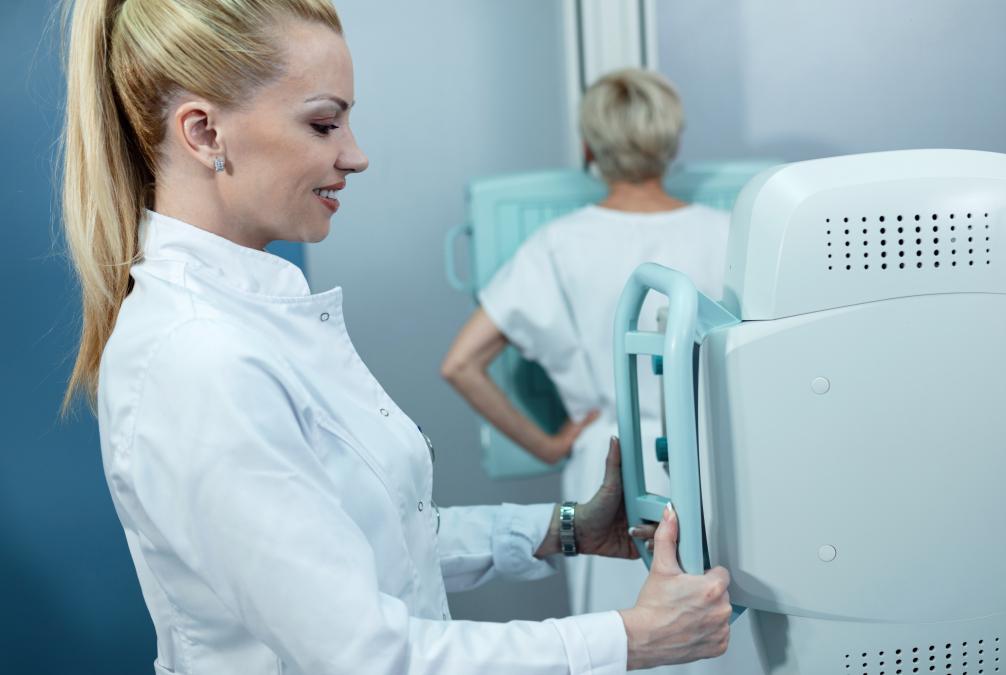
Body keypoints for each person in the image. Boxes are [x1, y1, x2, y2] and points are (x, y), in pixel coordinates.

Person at [59, 1, 731, 673]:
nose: (356, 155)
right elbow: (369, 656)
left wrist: (567, 527)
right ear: (205, 133)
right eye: (324, 123)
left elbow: (382, 541)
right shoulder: (200, 358)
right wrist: (634, 638)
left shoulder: (252, 323)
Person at [442, 69, 757, 674]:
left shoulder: (559, 244)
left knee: (619, 646)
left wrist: (549, 444)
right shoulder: (729, 236)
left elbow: (461, 363)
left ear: (589, 148)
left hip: (610, 468)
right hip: (718, 463)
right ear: (672, 141)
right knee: (723, 636)